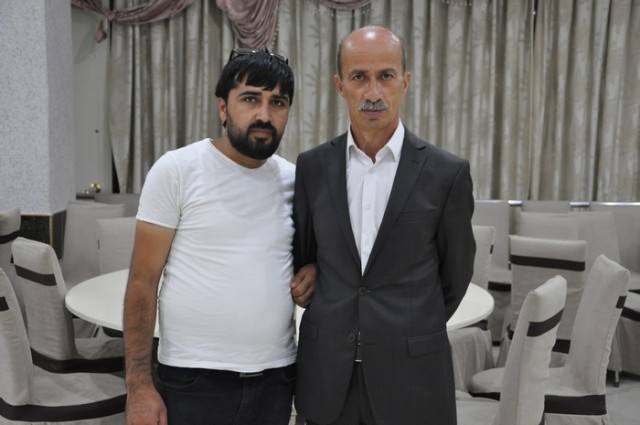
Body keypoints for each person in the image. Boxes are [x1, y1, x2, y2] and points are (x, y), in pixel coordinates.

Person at [293, 26, 476, 425]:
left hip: (412, 378)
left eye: (386, 76)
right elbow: (306, 256)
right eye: (359, 77)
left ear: (405, 82)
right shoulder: (311, 168)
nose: (373, 92)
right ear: (340, 85)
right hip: (328, 376)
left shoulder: (447, 173)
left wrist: (408, 326)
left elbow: (456, 275)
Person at [123, 48, 315, 425]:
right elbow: (142, 282)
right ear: (223, 108)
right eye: (250, 99)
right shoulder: (177, 170)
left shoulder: (297, 181)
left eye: (277, 102)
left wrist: (315, 272)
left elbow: (308, 261)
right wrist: (139, 385)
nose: (264, 114)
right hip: (192, 378)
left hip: (276, 378)